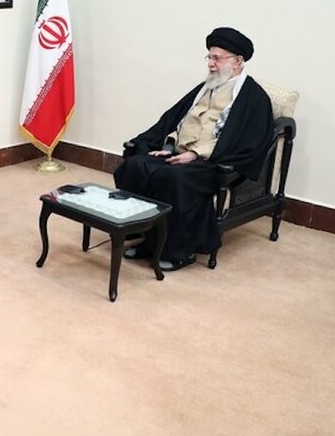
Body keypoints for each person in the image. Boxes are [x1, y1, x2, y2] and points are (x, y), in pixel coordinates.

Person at [114, 27, 275, 271]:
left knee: (174, 178)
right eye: (209, 57)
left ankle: (179, 251)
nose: (210, 64)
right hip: (177, 153)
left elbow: (246, 142)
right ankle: (147, 239)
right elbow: (175, 119)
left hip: (213, 162)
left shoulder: (253, 98)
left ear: (238, 61)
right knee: (137, 165)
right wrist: (169, 145)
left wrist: (196, 154)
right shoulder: (205, 87)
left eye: (217, 58)